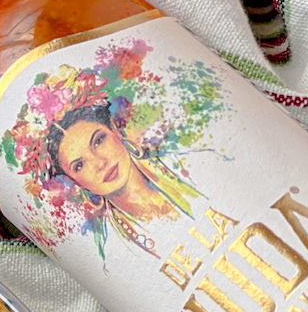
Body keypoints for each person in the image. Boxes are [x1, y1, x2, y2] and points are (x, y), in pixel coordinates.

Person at [45, 102, 201, 259]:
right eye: (79, 165)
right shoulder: (109, 252)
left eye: (99, 141)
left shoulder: (184, 163)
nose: (100, 163)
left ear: (113, 129)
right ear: (74, 181)